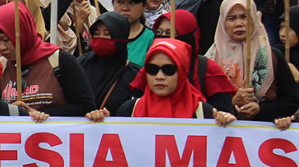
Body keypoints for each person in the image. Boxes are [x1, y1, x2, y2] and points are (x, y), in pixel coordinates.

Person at [0, 1, 95, 117]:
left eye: (6, 40)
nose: (1, 48)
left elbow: (85, 106)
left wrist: (38, 114)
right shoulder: (2, 66)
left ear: (23, 33)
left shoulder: (59, 60)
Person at [90, 38, 235, 124]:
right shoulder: (129, 110)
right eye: (152, 69)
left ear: (182, 72)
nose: (159, 76)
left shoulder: (204, 112)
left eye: (169, 70)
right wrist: (102, 123)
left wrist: (225, 125)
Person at [206, 0, 299, 126]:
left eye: (244, 17)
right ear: (222, 22)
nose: (239, 24)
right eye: (231, 18)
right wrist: (232, 103)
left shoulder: (272, 56)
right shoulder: (210, 60)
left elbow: (292, 100)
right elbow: (203, 104)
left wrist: (260, 109)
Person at [150, 9, 236, 113]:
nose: (163, 38)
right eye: (159, 32)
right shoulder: (149, 68)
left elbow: (224, 112)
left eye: (170, 33)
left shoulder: (207, 69)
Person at [77, 12, 136, 112]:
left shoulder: (135, 75)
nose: (101, 38)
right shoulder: (79, 65)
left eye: (107, 34)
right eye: (96, 33)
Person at [110, 0, 155, 70]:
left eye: (131, 2)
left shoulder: (151, 39)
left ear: (144, 6)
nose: (125, 8)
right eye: (120, 2)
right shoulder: (104, 35)